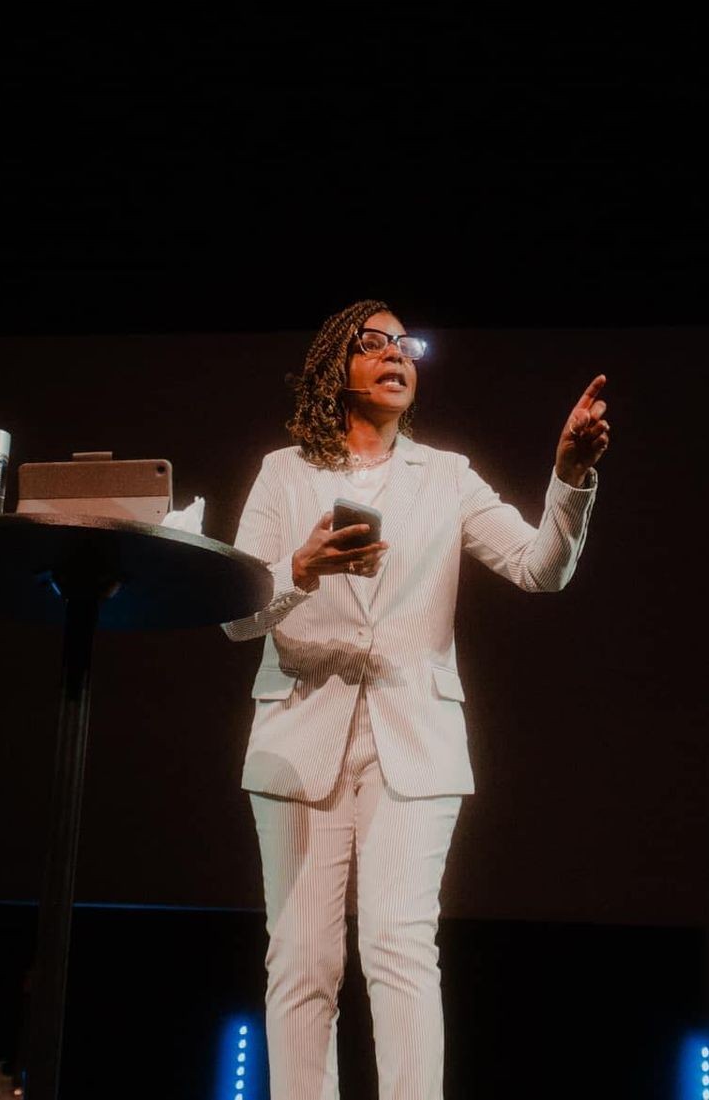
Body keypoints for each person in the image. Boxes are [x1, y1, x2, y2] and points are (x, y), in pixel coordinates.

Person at [222, 298, 610, 1100]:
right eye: (374, 343)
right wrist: (301, 567)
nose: (397, 354)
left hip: (414, 737)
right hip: (300, 734)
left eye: (407, 344)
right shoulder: (283, 472)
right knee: (302, 960)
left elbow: (542, 567)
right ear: (339, 366)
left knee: (400, 949)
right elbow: (235, 613)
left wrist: (569, 478)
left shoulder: (448, 475)